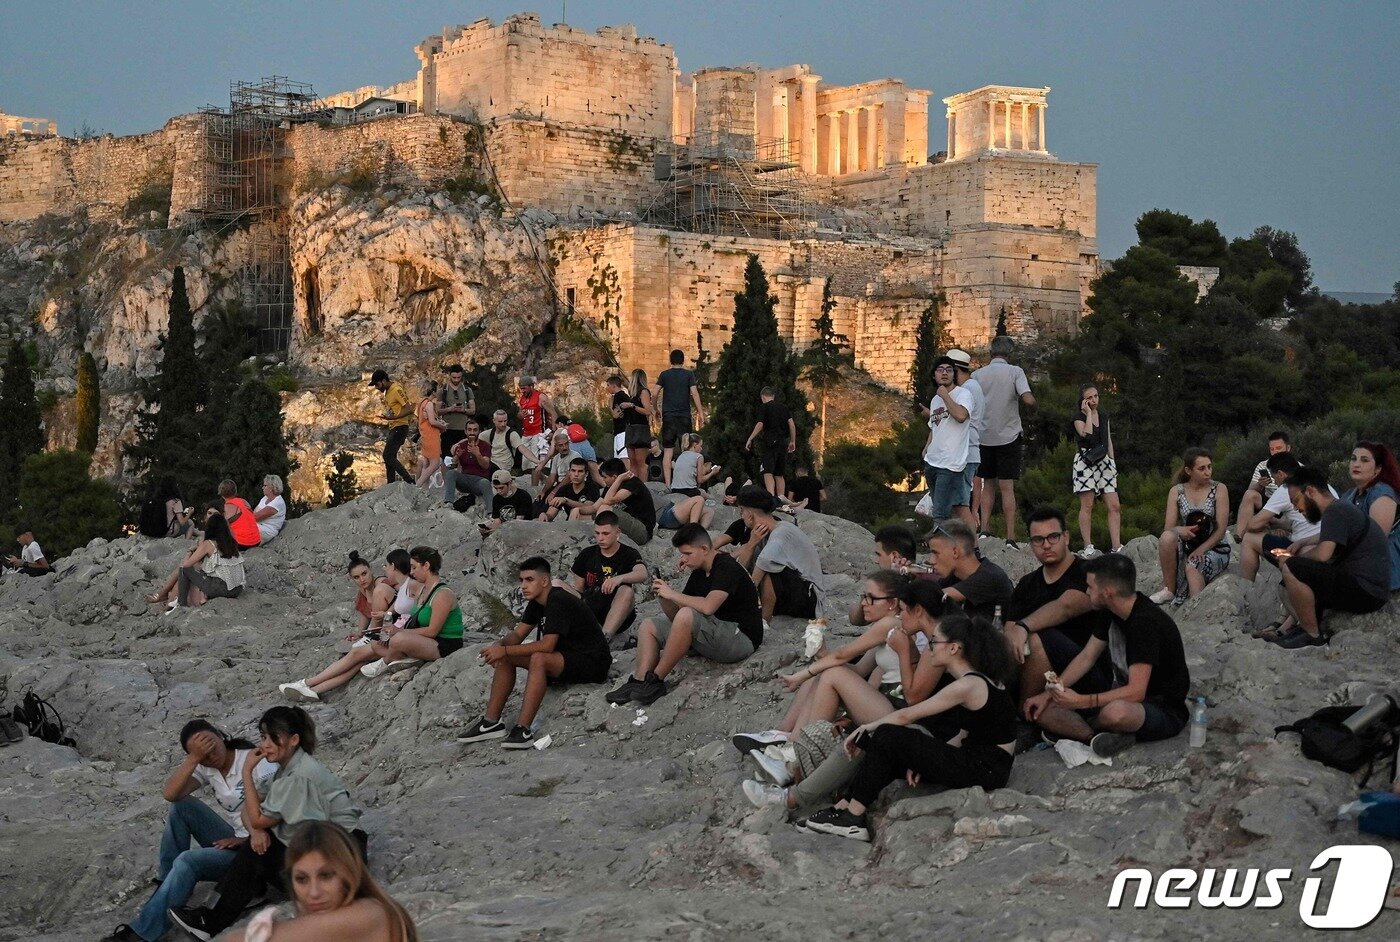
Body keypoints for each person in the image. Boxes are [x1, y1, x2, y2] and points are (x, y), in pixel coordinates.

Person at [802, 612, 1016, 842]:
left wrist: (864, 728)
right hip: (978, 761)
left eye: (934, 642)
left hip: (987, 769)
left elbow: (907, 715)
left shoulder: (969, 684)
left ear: (953, 648)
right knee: (887, 747)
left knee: (887, 734)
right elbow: (965, 735)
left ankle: (853, 817)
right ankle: (844, 805)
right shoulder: (976, 680)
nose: (929, 648)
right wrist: (925, 761)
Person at [168, 707, 365, 941]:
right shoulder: (285, 770)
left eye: (273, 738)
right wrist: (256, 828)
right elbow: (247, 810)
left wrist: (247, 771)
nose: (265, 744)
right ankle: (217, 911)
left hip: (338, 864)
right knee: (259, 840)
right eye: (263, 737)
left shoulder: (296, 777)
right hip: (322, 849)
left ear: (294, 740)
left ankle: (210, 921)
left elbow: (258, 817)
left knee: (256, 849)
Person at [101, 721, 277, 942]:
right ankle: (168, 883)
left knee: (189, 861)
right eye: (202, 753)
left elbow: (280, 811)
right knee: (181, 806)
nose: (210, 755)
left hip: (258, 846)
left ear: (221, 736)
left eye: (212, 745)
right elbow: (171, 794)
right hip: (234, 838)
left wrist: (244, 840)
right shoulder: (206, 766)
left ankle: (142, 934)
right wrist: (194, 759)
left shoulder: (253, 760)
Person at [1024, 553, 1191, 758]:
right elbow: (1087, 656)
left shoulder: (1144, 623)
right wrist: (1048, 694)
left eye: (1090, 587)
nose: (1086, 591)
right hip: (1119, 693)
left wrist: (1081, 702)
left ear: (1108, 592)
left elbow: (1137, 692)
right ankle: (1094, 738)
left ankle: (1084, 729)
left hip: (1162, 708)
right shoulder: (1110, 611)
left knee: (1117, 713)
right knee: (1043, 709)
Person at [459, 557, 613, 748]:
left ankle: (522, 730)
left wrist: (504, 650)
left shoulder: (558, 599)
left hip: (593, 662)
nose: (523, 585)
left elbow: (547, 646)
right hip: (565, 658)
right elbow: (518, 634)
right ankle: (491, 723)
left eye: (529, 580)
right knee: (507, 656)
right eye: (522, 580)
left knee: (539, 658)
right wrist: (498, 646)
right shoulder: (537, 602)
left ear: (545, 581)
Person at [607, 523, 762, 706]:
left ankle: (655, 681)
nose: (684, 559)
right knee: (649, 625)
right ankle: (640, 681)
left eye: (687, 553)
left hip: (740, 638)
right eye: (682, 554)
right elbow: (678, 616)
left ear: (704, 548)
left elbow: (707, 607)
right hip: (713, 630)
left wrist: (673, 593)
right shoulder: (699, 571)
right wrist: (663, 595)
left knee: (688, 614)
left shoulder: (726, 567)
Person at [228, 820, 418, 942]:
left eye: (326, 876)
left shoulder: (372, 914)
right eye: (301, 879)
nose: (314, 892)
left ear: (349, 873)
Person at [1268, 466, 1391, 649]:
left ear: (1310, 491)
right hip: (1371, 588)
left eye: (1296, 501)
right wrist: (1303, 542)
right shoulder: (1340, 508)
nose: (1296, 508)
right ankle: (1305, 627)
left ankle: (1312, 635)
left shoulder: (1335, 511)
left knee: (1293, 567)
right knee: (1291, 578)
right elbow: (1332, 535)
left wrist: (1290, 560)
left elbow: (1323, 554)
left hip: (1366, 590)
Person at [1003, 506, 1111, 702]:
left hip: (1087, 671)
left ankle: (1025, 714)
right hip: (1040, 676)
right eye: (1038, 540)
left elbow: (1066, 607)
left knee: (1036, 638)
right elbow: (1009, 633)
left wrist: (1023, 627)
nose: (1046, 545)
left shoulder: (1088, 573)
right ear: (1031, 544)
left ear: (1066, 537)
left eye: (1053, 537)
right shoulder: (1027, 584)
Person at [279, 551, 404, 702]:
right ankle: (313, 691)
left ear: (371, 570)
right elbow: (364, 620)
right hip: (381, 639)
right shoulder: (363, 593)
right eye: (357, 577)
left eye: (364, 573)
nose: (362, 579)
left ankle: (306, 683)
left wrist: (376, 625)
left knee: (355, 655)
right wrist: (359, 634)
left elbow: (405, 595)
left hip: (393, 634)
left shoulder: (382, 584)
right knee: (358, 661)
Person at [359, 546, 464, 676]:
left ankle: (386, 661)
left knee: (399, 639)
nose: (412, 572)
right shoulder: (422, 591)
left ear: (426, 565)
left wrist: (400, 631)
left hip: (444, 643)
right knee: (377, 643)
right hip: (426, 639)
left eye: (414, 567)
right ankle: (408, 657)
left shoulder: (442, 594)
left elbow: (432, 631)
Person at [972, 335, 1035, 545]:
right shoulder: (1015, 372)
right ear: (1010, 354)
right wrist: (1033, 403)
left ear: (991, 353)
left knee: (986, 485)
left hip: (984, 436)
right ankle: (1010, 536)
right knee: (1007, 487)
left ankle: (985, 530)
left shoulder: (977, 375)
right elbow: (1027, 398)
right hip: (1008, 436)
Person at [1149, 448, 1230, 605]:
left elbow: (1221, 529)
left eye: (1209, 467)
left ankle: (1195, 606)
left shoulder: (1219, 489)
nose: (1208, 472)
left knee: (1193, 565)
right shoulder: (1177, 491)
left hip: (1214, 546)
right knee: (1167, 537)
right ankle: (1169, 590)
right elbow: (1168, 527)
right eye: (1201, 468)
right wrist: (1180, 530)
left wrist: (1202, 549)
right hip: (1188, 545)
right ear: (1188, 470)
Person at [734, 486, 824, 621]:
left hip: (810, 599)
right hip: (792, 596)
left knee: (770, 569)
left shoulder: (782, 533)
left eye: (741, 511)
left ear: (749, 514)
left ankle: (764, 622)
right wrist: (752, 544)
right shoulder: (762, 534)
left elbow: (755, 578)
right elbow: (740, 569)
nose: (741, 516)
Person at [1239, 453, 1330, 583]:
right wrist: (1276, 523)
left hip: (1303, 551)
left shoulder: (1287, 488)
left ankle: (1245, 587)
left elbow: (1254, 524)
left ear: (1281, 474)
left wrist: (1247, 529)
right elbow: (1303, 523)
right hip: (1325, 543)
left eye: (1274, 477)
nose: (1274, 482)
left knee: (1248, 538)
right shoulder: (1319, 483)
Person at [564, 511, 646, 640]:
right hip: (591, 609)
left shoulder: (629, 553)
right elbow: (578, 589)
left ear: (617, 533)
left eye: (606, 533)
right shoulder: (587, 554)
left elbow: (642, 573)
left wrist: (620, 578)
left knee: (626, 590)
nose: (600, 538)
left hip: (619, 611)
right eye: (597, 533)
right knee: (556, 584)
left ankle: (603, 639)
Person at [921, 355, 974, 523]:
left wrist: (945, 396)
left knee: (940, 514)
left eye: (949, 370)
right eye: (940, 370)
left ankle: (940, 547)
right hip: (932, 462)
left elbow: (960, 415)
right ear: (934, 375)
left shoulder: (963, 394)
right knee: (940, 511)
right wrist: (926, 450)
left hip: (950, 464)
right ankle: (951, 545)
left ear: (954, 375)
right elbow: (935, 426)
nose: (944, 373)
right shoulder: (935, 400)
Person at [1342, 440, 1400, 592]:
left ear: (1378, 469)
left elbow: (1377, 538)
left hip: (1383, 567)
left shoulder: (1382, 493)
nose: (1356, 464)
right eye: (1353, 459)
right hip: (1355, 559)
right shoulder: (1349, 496)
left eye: (1364, 460)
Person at [1071, 384, 1122, 556]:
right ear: (1083, 400)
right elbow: (1086, 434)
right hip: (1086, 461)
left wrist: (1112, 462)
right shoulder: (1078, 417)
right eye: (1089, 398)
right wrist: (1088, 414)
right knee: (1087, 504)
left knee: (1114, 505)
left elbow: (1107, 439)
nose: (1094, 400)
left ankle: (1116, 545)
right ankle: (1088, 545)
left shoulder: (1104, 415)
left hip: (1103, 460)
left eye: (1096, 396)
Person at [928, 519, 1012, 621]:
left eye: (936, 553)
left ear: (955, 552)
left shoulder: (990, 576)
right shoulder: (954, 577)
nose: (931, 560)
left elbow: (932, 598)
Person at [165, 513, 246, 614]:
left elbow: (186, 565)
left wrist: (191, 551)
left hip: (222, 588)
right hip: (237, 589)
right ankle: (202, 597)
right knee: (205, 573)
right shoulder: (232, 543)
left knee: (183, 569)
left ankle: (181, 604)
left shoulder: (209, 543)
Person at [944, 349, 984, 528]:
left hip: (965, 453)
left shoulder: (967, 390)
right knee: (956, 505)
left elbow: (960, 416)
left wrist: (944, 396)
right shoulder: (972, 387)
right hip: (965, 451)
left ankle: (972, 548)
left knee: (960, 505)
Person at [849, 525, 921, 625]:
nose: (876, 561)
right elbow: (856, 619)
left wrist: (900, 583)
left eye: (879, 554)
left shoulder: (921, 584)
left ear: (894, 556)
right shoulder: (888, 581)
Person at [657, 349, 706, 487]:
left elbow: (654, 393)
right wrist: (700, 412)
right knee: (687, 450)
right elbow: (695, 394)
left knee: (667, 451)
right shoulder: (688, 375)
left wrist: (655, 409)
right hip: (684, 416)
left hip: (668, 417)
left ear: (670, 360)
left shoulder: (664, 375)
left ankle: (668, 484)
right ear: (683, 361)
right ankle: (687, 483)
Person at [1234, 431, 1291, 542]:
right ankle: (1240, 535)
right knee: (1250, 494)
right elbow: (1249, 491)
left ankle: (1279, 525)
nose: (1275, 452)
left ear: (1288, 448)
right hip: (1268, 502)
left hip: (1286, 505)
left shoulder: (1297, 467)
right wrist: (1260, 484)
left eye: (1279, 448)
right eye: (1272, 449)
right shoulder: (1263, 465)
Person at [658, 433, 722, 530]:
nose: (701, 448)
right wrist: (713, 472)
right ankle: (700, 529)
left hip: (675, 489)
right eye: (701, 445)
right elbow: (700, 479)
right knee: (704, 497)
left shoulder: (681, 456)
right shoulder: (698, 457)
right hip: (688, 490)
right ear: (695, 445)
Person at [745, 387, 797, 499]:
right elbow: (792, 425)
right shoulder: (784, 408)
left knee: (767, 471)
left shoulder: (765, 407)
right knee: (779, 473)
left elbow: (760, 424)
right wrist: (792, 441)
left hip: (770, 442)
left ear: (763, 397)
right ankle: (781, 498)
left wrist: (750, 438)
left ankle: (771, 497)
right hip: (783, 442)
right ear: (773, 396)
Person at [369, 368, 415, 485]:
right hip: (394, 427)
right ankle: (391, 484)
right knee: (390, 457)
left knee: (387, 455)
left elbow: (409, 409)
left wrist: (394, 418)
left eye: (377, 384)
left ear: (383, 381)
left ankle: (408, 480)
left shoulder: (396, 390)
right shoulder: (389, 392)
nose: (376, 387)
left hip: (400, 427)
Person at [595, 458, 655, 546]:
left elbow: (607, 501)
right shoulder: (611, 486)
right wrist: (577, 510)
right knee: (588, 514)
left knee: (604, 509)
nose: (603, 480)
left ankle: (601, 540)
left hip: (642, 531)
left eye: (605, 477)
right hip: (625, 525)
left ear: (615, 477)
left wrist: (619, 479)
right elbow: (594, 507)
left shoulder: (632, 483)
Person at [444, 418, 494, 511]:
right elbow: (452, 466)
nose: (472, 432)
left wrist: (477, 454)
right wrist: (456, 457)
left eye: (475, 430)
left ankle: (491, 512)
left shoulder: (485, 446)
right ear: (465, 432)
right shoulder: (461, 445)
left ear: (479, 431)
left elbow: (486, 466)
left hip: (479, 480)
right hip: (465, 479)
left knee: (486, 483)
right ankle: (448, 503)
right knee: (451, 473)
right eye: (469, 430)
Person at [541, 457, 601, 522]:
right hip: (570, 523)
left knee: (583, 515)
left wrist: (566, 500)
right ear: (569, 472)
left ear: (586, 474)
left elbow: (589, 507)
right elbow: (551, 514)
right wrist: (545, 515)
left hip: (590, 523)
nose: (576, 474)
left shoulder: (592, 487)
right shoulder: (564, 489)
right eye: (573, 470)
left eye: (580, 471)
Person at [620, 368, 654, 480]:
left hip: (640, 428)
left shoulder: (643, 392)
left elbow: (647, 411)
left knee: (640, 462)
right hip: (631, 427)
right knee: (632, 462)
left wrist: (632, 406)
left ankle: (643, 486)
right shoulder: (633, 394)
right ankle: (634, 486)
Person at [516, 374, 556, 471]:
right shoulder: (522, 399)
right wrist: (521, 415)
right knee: (525, 464)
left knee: (536, 463)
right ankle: (528, 480)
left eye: (524, 388)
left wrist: (553, 432)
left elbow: (553, 413)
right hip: (526, 433)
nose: (522, 391)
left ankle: (538, 482)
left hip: (538, 432)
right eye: (521, 389)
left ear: (531, 386)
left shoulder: (540, 397)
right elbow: (519, 414)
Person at [414, 381, 448, 488]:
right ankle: (418, 485)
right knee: (435, 463)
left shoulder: (422, 403)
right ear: (433, 391)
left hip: (425, 435)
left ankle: (425, 488)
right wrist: (443, 426)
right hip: (431, 436)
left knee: (427, 462)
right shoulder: (429, 404)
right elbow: (432, 422)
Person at [481, 469, 536, 534]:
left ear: (510, 483)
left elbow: (519, 522)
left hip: (523, 530)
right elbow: (496, 520)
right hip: (505, 529)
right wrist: (490, 528)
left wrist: (499, 529)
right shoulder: (496, 498)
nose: (499, 491)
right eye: (496, 488)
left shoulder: (523, 496)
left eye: (501, 488)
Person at [437, 363, 476, 455]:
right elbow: (437, 411)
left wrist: (464, 410)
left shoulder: (467, 390)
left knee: (464, 456)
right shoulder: (443, 391)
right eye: (454, 377)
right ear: (450, 375)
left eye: (459, 377)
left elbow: (473, 410)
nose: (456, 380)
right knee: (447, 457)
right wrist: (450, 409)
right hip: (447, 429)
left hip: (463, 429)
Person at [480, 409, 531, 475]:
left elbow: (523, 449)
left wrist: (537, 461)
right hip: (491, 465)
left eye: (505, 421)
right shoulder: (487, 434)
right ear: (494, 421)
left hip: (504, 468)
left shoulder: (511, 434)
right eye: (500, 421)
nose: (503, 424)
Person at [221, 480, 262, 550]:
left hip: (241, 544)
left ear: (221, 494)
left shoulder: (226, 507)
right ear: (235, 491)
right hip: (257, 541)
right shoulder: (244, 501)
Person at [253, 475, 288, 545]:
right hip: (258, 526)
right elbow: (254, 513)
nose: (262, 488)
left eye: (265, 485)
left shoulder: (277, 503)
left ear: (271, 488)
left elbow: (255, 517)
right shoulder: (265, 498)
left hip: (267, 531)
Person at [606, 373, 630, 460]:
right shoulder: (625, 396)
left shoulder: (618, 396)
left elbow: (615, 415)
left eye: (608, 385)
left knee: (623, 458)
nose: (607, 388)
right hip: (622, 431)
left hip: (622, 431)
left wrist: (610, 405)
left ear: (614, 385)